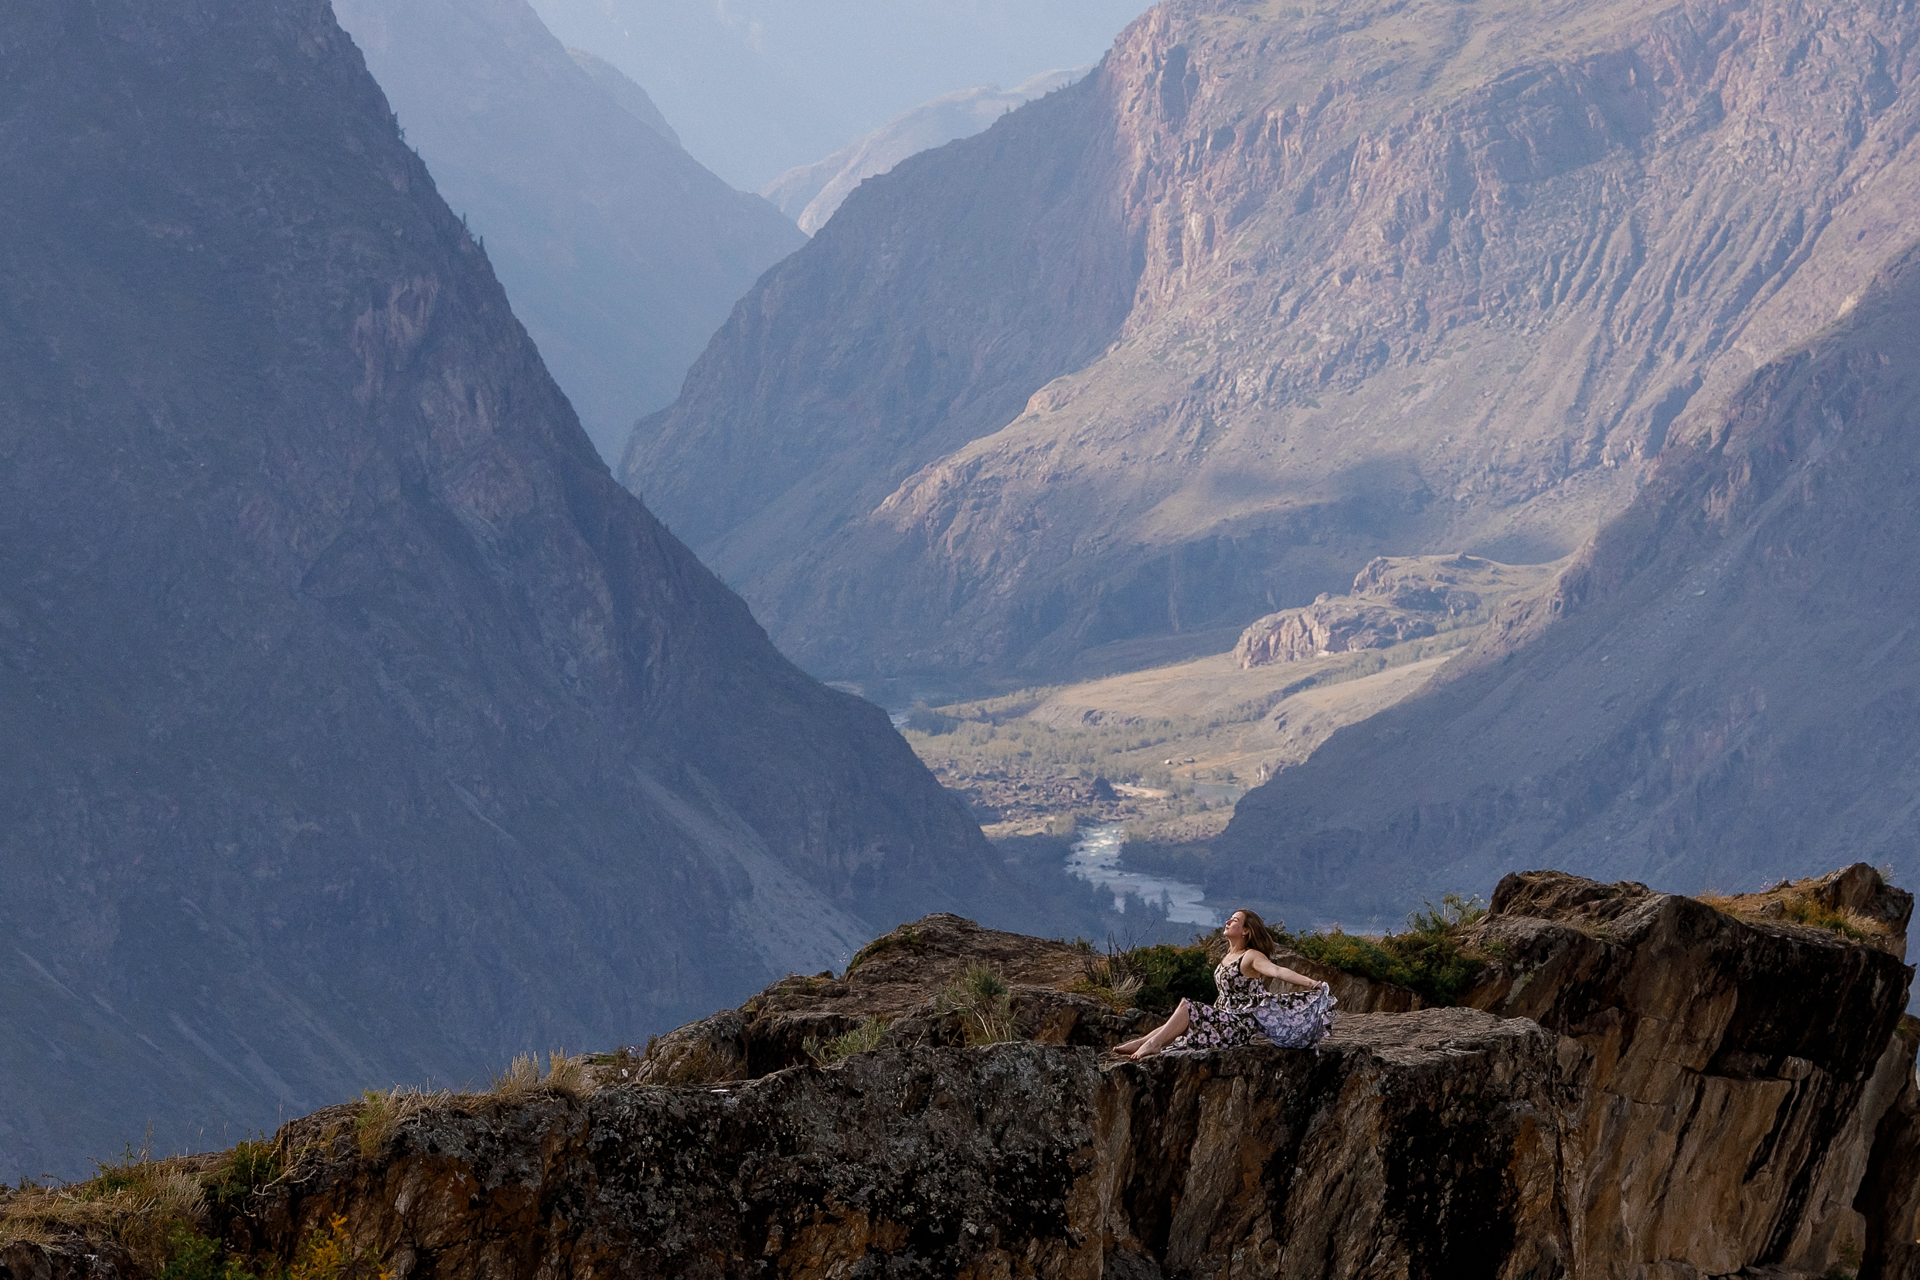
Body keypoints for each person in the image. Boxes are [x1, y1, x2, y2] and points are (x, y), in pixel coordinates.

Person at [1112, 909, 1336, 1058]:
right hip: (1224, 1017)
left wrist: (1311, 982)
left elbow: (1276, 971)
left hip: (1237, 1025)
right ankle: (1144, 1040)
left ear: (1246, 931)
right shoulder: (1227, 956)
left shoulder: (1251, 956)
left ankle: (1153, 1044)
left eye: (1235, 921)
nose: (1228, 922)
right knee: (1184, 1018)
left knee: (1187, 1006)